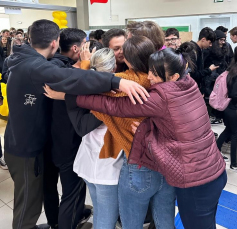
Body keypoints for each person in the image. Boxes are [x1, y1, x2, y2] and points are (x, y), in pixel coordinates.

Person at [46, 44, 227, 229]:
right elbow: (174, 123)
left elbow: (115, 106)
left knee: (126, 220)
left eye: (154, 74)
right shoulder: (188, 83)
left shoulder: (153, 92)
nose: (149, 77)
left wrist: (69, 95)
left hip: (187, 177)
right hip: (210, 170)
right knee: (170, 219)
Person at [4, 19, 148, 229]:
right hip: (28, 148)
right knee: (29, 204)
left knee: (40, 195)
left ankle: (53, 223)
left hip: (29, 143)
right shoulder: (38, 67)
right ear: (55, 42)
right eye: (116, 49)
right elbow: (69, 77)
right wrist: (115, 82)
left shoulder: (21, 59)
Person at [45, 37, 176, 229]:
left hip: (103, 161)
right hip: (108, 162)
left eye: (122, 50)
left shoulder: (124, 86)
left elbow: (94, 96)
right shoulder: (142, 84)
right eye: (116, 49)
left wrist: (68, 93)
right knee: (110, 215)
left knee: (107, 215)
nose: (119, 53)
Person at [44, 28, 92, 229]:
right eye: (86, 45)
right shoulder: (68, 71)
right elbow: (81, 90)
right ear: (76, 48)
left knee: (50, 187)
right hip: (67, 139)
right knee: (72, 190)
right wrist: (87, 65)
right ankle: (70, 223)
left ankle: (55, 222)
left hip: (47, 138)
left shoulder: (45, 65)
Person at [71, 48, 124, 229]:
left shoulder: (84, 89)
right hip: (108, 164)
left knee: (100, 210)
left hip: (87, 157)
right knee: (107, 216)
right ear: (114, 68)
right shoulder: (117, 94)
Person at [216, 45, 237, 172]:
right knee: (236, 134)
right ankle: (235, 163)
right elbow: (235, 93)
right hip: (235, 108)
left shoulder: (232, 69)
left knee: (228, 130)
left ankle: (216, 151)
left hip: (227, 107)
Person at [204, 30, 229, 126]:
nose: (223, 42)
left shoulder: (225, 49)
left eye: (224, 40)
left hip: (221, 78)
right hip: (210, 79)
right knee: (211, 99)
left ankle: (218, 116)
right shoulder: (207, 51)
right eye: (221, 40)